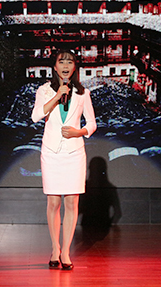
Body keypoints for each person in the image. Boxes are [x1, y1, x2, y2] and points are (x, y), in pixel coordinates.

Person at [31, 49, 97, 270]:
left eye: (70, 62)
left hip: (74, 153)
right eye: (62, 62)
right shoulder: (44, 90)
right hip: (51, 152)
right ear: (55, 67)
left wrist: (79, 132)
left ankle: (66, 251)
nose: (66, 66)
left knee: (71, 203)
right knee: (53, 202)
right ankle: (54, 248)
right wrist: (57, 96)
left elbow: (92, 124)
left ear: (74, 67)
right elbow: (36, 116)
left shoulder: (83, 93)